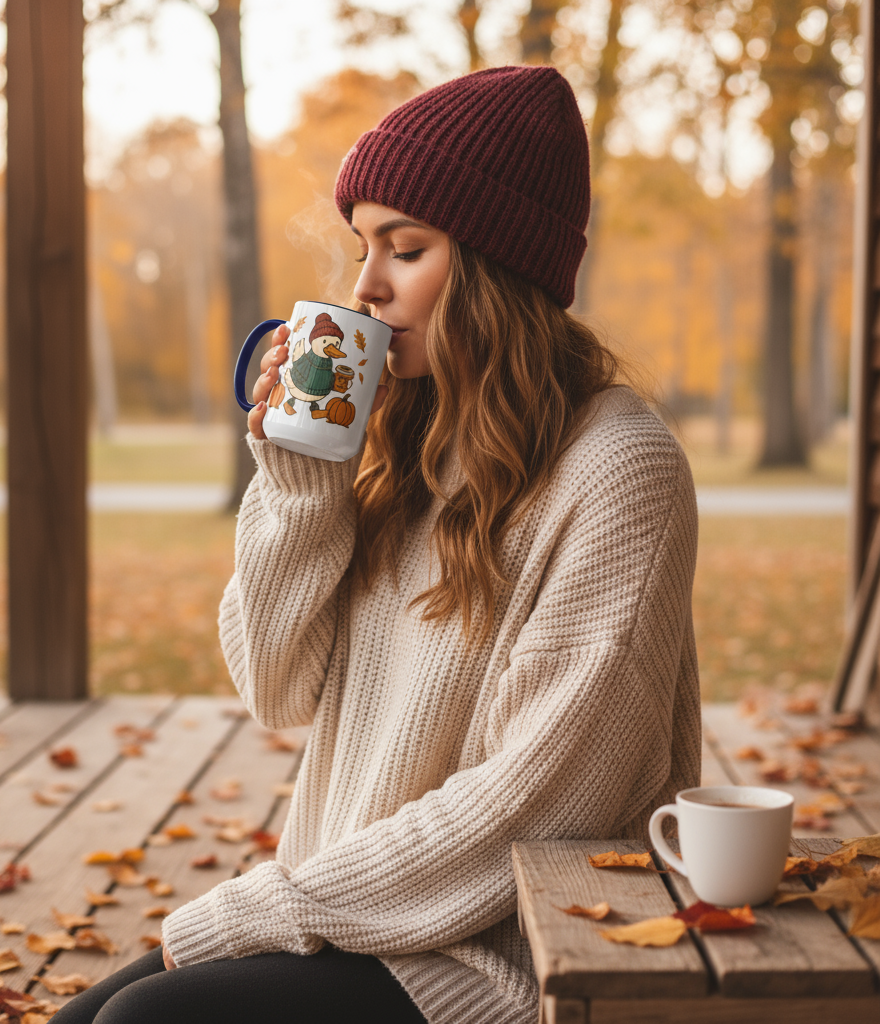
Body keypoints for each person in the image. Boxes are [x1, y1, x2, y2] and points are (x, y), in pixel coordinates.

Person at [51, 64, 699, 1024]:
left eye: (407, 248)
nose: (366, 285)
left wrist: (262, 908)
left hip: (502, 952)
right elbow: (277, 689)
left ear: (494, 267)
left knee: (137, 1022)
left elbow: (535, 806)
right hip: (354, 915)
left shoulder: (621, 471)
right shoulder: (419, 442)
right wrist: (303, 480)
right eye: (363, 245)